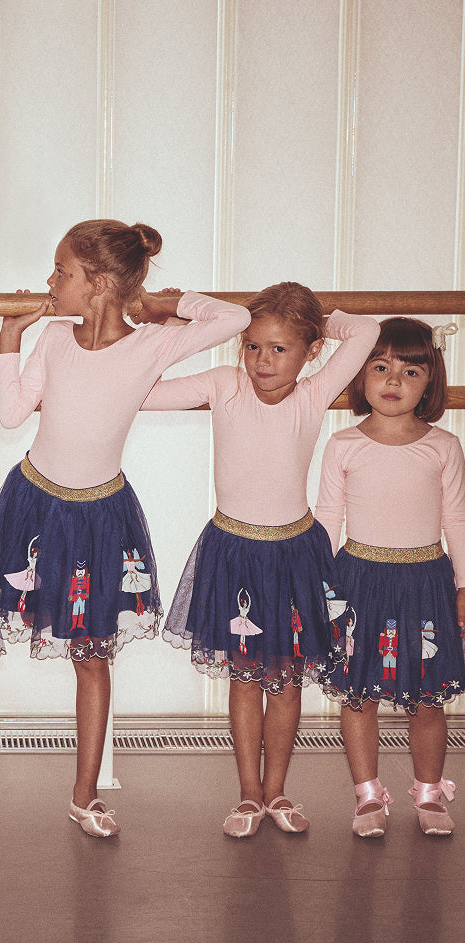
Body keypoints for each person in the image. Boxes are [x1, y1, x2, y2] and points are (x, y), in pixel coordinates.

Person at [0, 220, 251, 838]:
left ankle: (85, 793)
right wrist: (8, 339)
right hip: (36, 505)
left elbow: (235, 319)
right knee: (35, 631)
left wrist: (160, 304)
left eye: (62, 272)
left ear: (99, 282)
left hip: (101, 519)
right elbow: (12, 413)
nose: (50, 282)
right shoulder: (54, 336)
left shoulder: (151, 345)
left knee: (92, 656)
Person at [144, 281, 378, 836]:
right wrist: (174, 319)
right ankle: (249, 793)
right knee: (246, 677)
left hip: (295, 554)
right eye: (252, 345)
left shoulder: (314, 393)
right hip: (234, 552)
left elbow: (366, 330)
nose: (262, 360)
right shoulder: (224, 384)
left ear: (311, 351)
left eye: (279, 348)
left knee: (287, 679)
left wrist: (317, 321)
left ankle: (277, 791)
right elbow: (143, 391)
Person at [316, 317, 465, 836]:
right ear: (361, 375)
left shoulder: (443, 446)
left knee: (427, 697)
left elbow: (456, 519)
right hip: (358, 581)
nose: (394, 381)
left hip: (426, 583)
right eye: (380, 367)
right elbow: (327, 518)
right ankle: (367, 797)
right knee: (359, 695)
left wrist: (463, 587)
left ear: (430, 381)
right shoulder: (343, 444)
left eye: (410, 371)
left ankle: (429, 794)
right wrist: (321, 587)